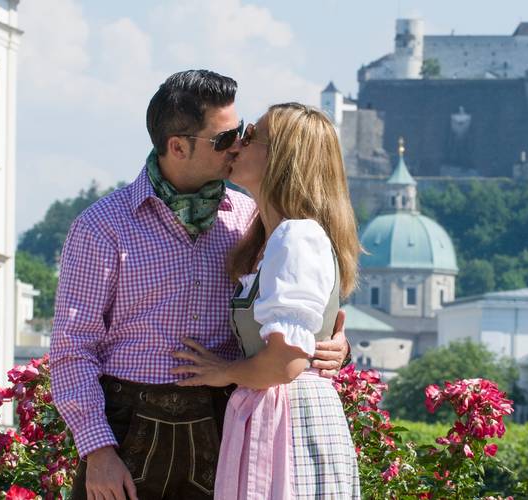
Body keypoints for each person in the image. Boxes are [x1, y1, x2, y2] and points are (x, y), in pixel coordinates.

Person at [49, 70, 350, 500]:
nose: (239, 145)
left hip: (223, 422)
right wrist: (97, 449)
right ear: (178, 146)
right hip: (127, 424)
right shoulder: (102, 227)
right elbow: (72, 347)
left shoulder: (253, 217)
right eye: (224, 139)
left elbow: (304, 298)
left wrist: (336, 341)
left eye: (244, 133)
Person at [172, 102, 360, 499]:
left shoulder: (296, 237)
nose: (239, 142)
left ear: (283, 158)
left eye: (253, 135)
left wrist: (223, 371)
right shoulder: (265, 235)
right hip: (277, 412)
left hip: (291, 417)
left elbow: (285, 362)